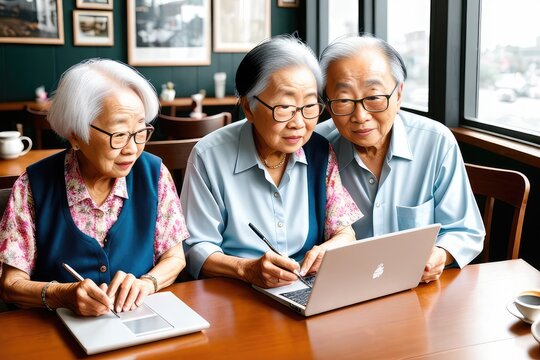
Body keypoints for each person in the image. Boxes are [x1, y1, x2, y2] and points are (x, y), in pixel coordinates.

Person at [0, 59, 188, 316]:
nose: (132, 148)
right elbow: (10, 285)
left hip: (140, 324)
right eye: (119, 135)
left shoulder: (155, 176)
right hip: (55, 333)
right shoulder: (33, 186)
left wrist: (147, 283)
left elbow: (176, 258)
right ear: (76, 135)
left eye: (140, 132)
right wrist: (62, 295)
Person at [180, 35, 362, 288]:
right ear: (248, 107)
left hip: (306, 287)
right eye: (284, 107)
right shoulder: (209, 155)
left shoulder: (319, 151)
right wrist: (245, 269)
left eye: (310, 106)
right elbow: (195, 248)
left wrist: (330, 249)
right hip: (234, 291)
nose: (299, 123)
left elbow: (345, 231)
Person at [316, 34, 485, 283]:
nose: (360, 116)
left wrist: (440, 254)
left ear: (398, 94)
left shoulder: (436, 141)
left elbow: (465, 230)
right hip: (341, 287)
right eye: (343, 100)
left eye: (374, 97)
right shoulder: (315, 147)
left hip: (416, 289)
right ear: (328, 105)